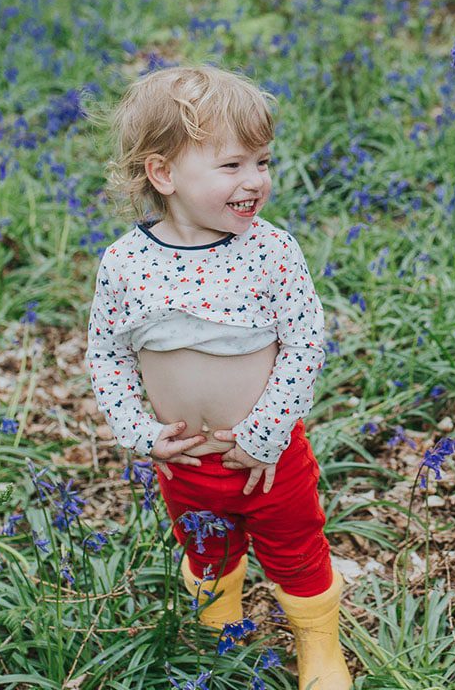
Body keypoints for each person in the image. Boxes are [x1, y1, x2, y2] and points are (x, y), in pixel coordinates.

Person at [85, 66, 350, 690]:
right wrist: (140, 432)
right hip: (184, 459)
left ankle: (317, 640)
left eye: (263, 162)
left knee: (296, 549)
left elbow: (305, 342)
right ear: (164, 174)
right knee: (207, 551)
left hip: (267, 457)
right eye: (232, 166)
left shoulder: (272, 250)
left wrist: (267, 430)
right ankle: (220, 631)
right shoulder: (125, 262)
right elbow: (108, 356)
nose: (254, 181)